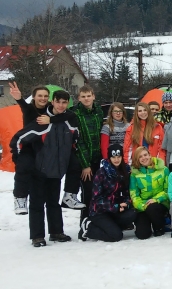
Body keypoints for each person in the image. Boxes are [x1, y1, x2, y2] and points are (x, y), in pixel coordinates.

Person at [11, 90, 78, 246]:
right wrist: (18, 160)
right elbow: (18, 138)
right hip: (39, 167)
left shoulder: (67, 119)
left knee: (53, 202)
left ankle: (56, 232)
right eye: (58, 101)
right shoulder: (41, 120)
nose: (61, 105)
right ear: (52, 102)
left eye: (64, 102)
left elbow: (74, 136)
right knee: (37, 203)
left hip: (56, 168)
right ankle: (37, 236)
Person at [7, 83, 84, 214]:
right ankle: (20, 198)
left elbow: (67, 115)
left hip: (43, 148)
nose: (42, 98)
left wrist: (52, 120)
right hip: (28, 147)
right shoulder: (30, 109)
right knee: (24, 167)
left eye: (45, 96)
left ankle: (69, 196)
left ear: (49, 99)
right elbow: (20, 134)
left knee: (75, 164)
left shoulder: (50, 110)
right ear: (34, 97)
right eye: (39, 96)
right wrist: (19, 98)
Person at [79, 144, 137, 242]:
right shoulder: (101, 173)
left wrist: (126, 203)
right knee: (116, 236)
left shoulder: (126, 171)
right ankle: (88, 228)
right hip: (100, 212)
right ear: (109, 158)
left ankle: (111, 226)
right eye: (113, 157)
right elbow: (97, 200)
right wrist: (116, 207)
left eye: (118, 157)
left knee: (133, 213)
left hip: (115, 210)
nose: (116, 160)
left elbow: (127, 193)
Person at [70, 85, 105, 221]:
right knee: (88, 192)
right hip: (84, 160)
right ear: (79, 98)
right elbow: (79, 142)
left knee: (99, 191)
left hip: (98, 159)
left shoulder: (99, 112)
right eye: (83, 96)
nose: (86, 99)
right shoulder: (75, 114)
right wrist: (85, 165)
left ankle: (97, 219)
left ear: (93, 96)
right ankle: (85, 220)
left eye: (88, 96)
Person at [129, 146, 170, 239]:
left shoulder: (163, 169)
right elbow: (134, 195)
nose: (144, 158)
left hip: (160, 203)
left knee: (153, 207)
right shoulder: (134, 174)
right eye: (140, 157)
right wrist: (142, 206)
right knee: (142, 235)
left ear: (150, 155)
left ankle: (159, 227)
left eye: (145, 155)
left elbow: (168, 190)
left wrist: (156, 199)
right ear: (137, 159)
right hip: (143, 206)